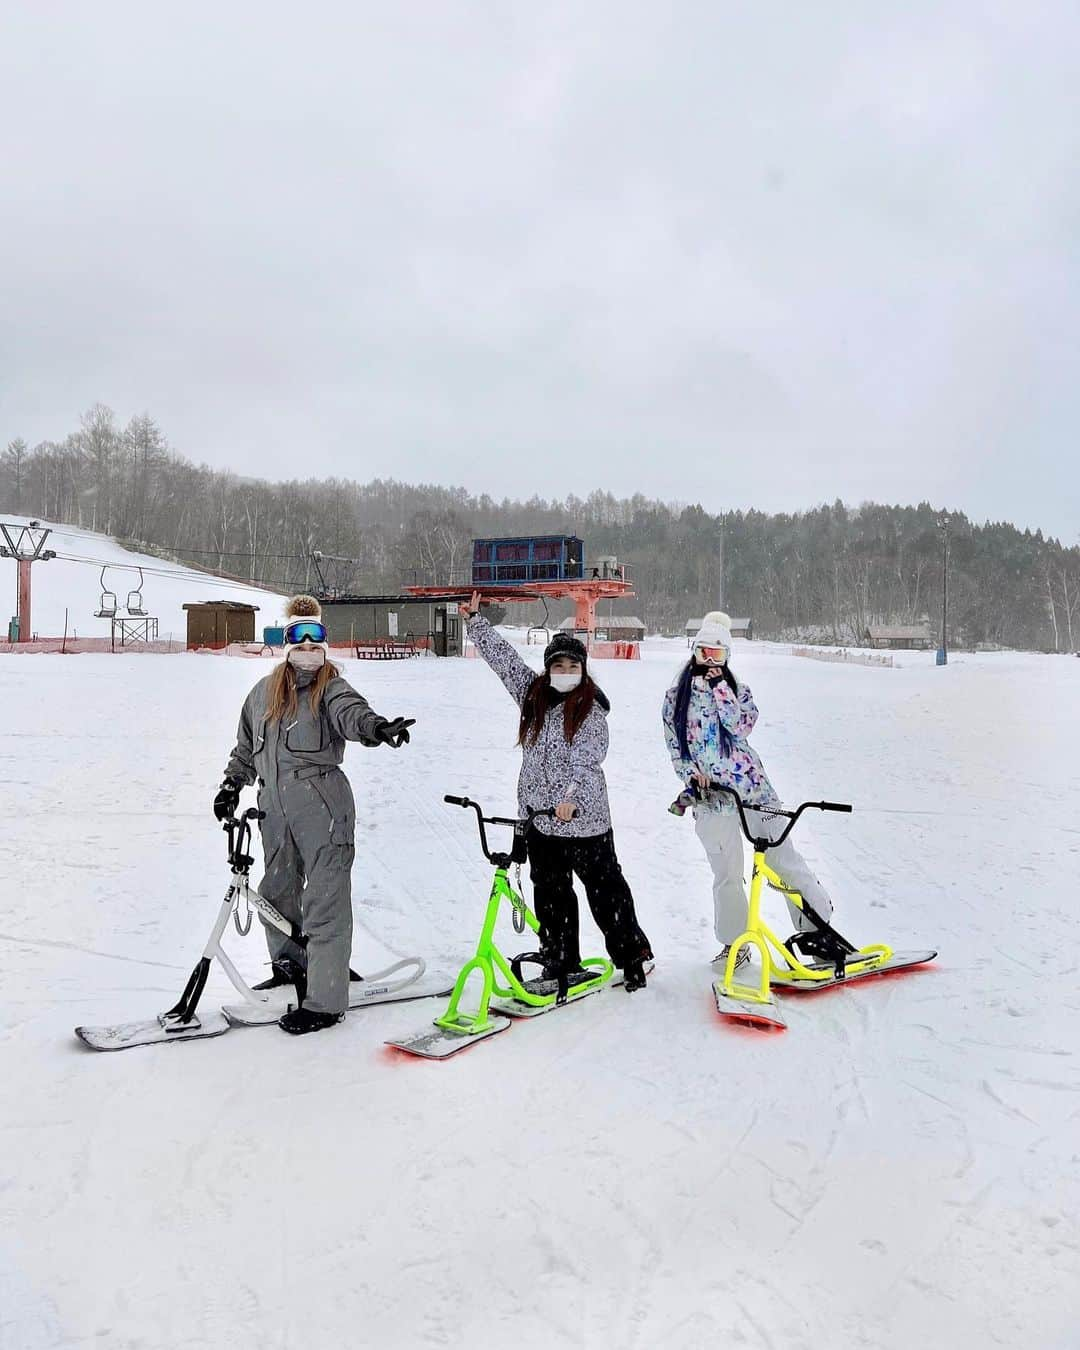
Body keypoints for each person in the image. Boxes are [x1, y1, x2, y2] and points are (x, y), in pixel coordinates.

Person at [214, 596, 415, 1034]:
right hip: (274, 807)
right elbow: (247, 748)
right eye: (299, 638)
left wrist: (376, 728)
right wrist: (231, 785)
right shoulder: (263, 693)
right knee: (277, 891)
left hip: (322, 802)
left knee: (325, 898)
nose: (308, 646)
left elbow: (352, 714)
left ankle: (325, 999)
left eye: (316, 638)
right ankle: (291, 966)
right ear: (286, 643)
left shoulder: (331, 687)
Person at [460, 592, 653, 992]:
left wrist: (571, 799)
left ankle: (632, 958)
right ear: (549, 670)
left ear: (583, 669)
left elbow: (587, 760)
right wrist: (476, 622)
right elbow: (505, 662)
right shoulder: (535, 699)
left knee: (606, 894)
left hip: (583, 822)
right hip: (541, 822)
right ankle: (561, 961)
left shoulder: (591, 710)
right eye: (558, 665)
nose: (565, 670)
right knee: (551, 897)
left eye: (572, 665)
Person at [662, 611, 833, 970]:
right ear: (694, 651)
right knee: (727, 873)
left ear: (727, 658)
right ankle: (735, 944)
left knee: (782, 862)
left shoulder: (738, 691)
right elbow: (676, 747)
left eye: (718, 654)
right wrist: (691, 777)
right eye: (704, 652)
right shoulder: (675, 698)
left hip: (753, 792)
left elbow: (741, 727)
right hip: (712, 801)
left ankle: (819, 931)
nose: (710, 660)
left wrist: (721, 689)